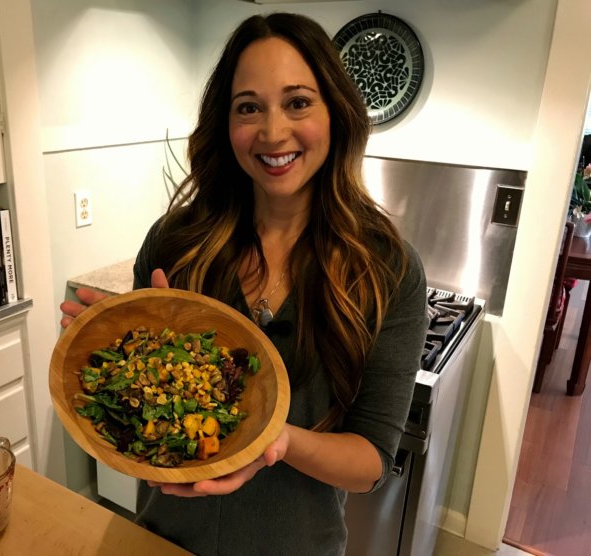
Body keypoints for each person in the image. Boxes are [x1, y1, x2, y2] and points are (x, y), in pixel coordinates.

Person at [60, 12, 428, 556]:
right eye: (249, 107)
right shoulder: (175, 242)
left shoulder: (387, 269)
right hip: (160, 540)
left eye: (298, 102)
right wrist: (117, 363)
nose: (273, 131)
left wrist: (274, 439)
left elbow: (370, 462)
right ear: (224, 123)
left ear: (336, 113)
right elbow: (134, 428)